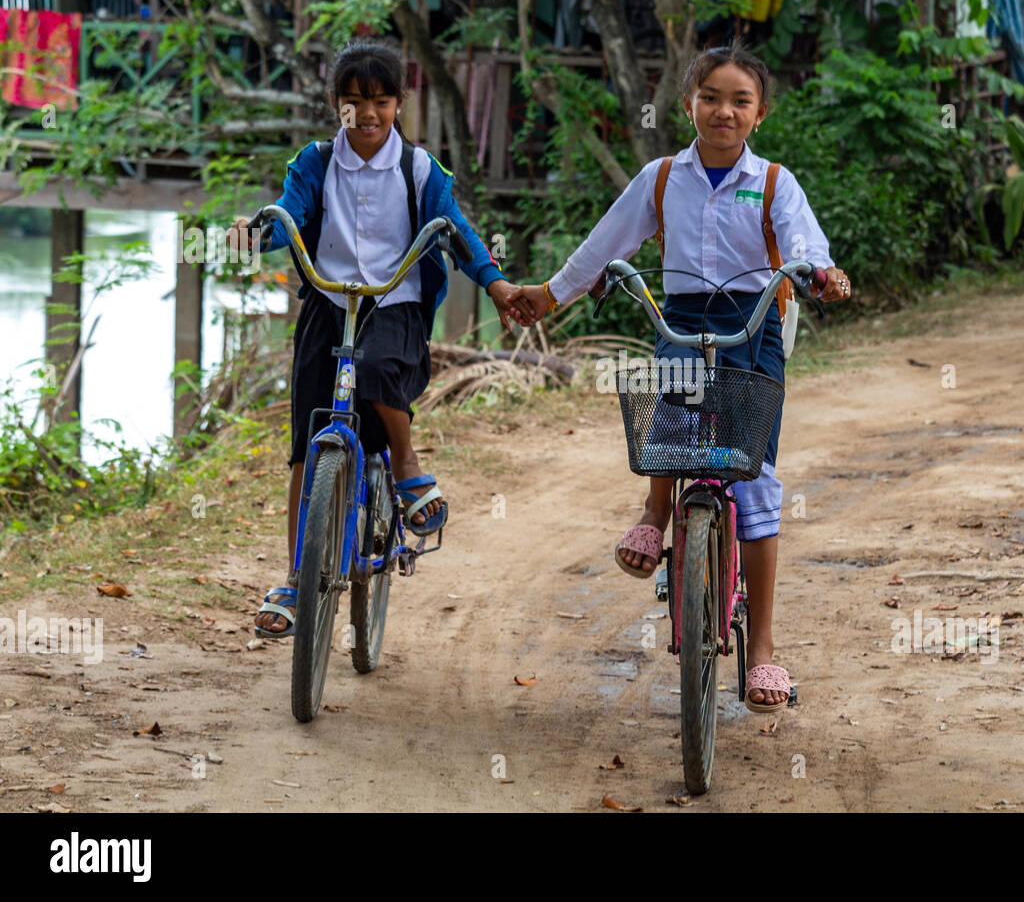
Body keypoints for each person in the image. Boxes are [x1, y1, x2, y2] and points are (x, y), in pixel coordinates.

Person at [510, 38, 851, 711]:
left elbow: (805, 244)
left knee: (754, 479)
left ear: (760, 115)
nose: (723, 111)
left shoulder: (775, 182)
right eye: (711, 98)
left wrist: (822, 274)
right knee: (671, 412)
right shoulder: (662, 177)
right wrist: (551, 294)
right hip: (684, 317)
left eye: (740, 101)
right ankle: (653, 512)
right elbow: (606, 244)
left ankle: (761, 652)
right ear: (689, 103)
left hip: (755, 322)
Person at [229, 38, 529, 638]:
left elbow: (456, 229)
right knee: (305, 442)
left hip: (395, 302)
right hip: (328, 297)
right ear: (335, 104)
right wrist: (251, 234)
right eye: (354, 101)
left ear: (399, 104)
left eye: (382, 100)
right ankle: (294, 575)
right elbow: (287, 214)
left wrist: (494, 284)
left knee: (374, 367)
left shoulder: (419, 169)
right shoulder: (314, 162)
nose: (367, 114)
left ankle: (408, 464)